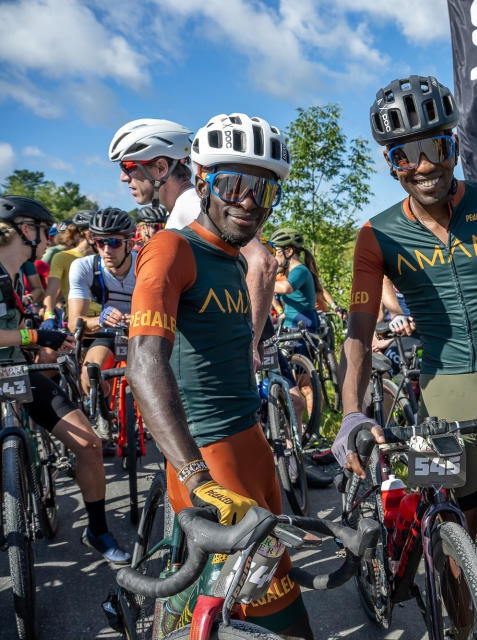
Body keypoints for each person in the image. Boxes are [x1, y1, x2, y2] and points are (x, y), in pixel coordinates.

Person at [334, 75, 477, 640]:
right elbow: (358, 329)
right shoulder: (375, 235)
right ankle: (461, 630)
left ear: (455, 146)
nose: (424, 165)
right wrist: (350, 412)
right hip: (438, 402)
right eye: (406, 154)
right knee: (453, 548)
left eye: (435, 146)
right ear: (390, 162)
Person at [126, 113, 313, 639]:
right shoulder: (171, 248)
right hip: (211, 461)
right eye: (234, 182)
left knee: (232, 601)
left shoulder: (230, 259)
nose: (249, 199)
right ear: (201, 178)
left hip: (251, 448)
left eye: (263, 188)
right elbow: (144, 363)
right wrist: (194, 477)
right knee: (277, 623)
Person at [0, 196, 129, 564]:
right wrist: (35, 338)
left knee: (88, 444)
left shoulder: (18, 275)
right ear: (26, 230)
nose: (48, 239)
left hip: (17, 372)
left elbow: (23, 327)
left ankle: (98, 531)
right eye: (44, 232)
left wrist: (45, 338)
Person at [67, 208, 137, 423]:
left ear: (130, 244)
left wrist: (141, 317)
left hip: (143, 329)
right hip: (108, 333)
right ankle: (106, 409)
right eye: (100, 242)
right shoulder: (84, 266)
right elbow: (74, 323)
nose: (107, 249)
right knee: (90, 374)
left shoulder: (145, 264)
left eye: (114, 242)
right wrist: (100, 320)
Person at [109, 118, 196, 226]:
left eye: (128, 167)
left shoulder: (190, 217)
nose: (123, 177)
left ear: (161, 168)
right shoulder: (180, 213)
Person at [270, 227, 343, 329]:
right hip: (295, 324)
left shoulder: (300, 270)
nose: (273, 257)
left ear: (289, 251)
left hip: (302, 325)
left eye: (276, 252)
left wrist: (261, 281)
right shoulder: (290, 273)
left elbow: (286, 288)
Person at [42, 209, 96, 330]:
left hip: (105, 319)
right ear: (88, 233)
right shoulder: (62, 257)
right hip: (77, 319)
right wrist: (49, 316)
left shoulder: (104, 256)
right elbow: (51, 292)